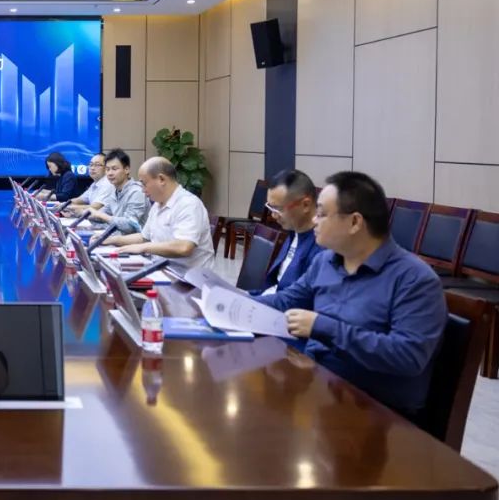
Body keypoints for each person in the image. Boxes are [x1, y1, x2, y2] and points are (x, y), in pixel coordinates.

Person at [255, 171, 447, 417]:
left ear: (355, 222)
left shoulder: (414, 279)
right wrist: (232, 303)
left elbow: (407, 356)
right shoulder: (326, 261)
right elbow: (286, 300)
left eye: (322, 214)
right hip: (318, 387)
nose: (314, 220)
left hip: (373, 412)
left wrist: (322, 327)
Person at [107, 156, 213, 271]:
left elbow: (184, 247)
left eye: (144, 184)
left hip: (186, 277)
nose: (142, 190)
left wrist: (143, 248)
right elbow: (144, 237)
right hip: (161, 269)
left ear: (161, 179)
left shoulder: (188, 204)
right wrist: (112, 240)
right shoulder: (158, 204)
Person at [259, 169, 322, 294]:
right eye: (271, 207)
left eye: (278, 209)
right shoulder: (293, 231)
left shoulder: (321, 246)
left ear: (306, 205)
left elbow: (299, 299)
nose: (273, 215)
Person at [88, 149, 148, 233]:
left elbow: (130, 226)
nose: (110, 173)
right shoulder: (114, 191)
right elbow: (101, 214)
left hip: (135, 240)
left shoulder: (137, 192)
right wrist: (82, 214)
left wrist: (101, 215)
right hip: (118, 238)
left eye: (114, 169)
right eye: (107, 169)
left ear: (126, 169)